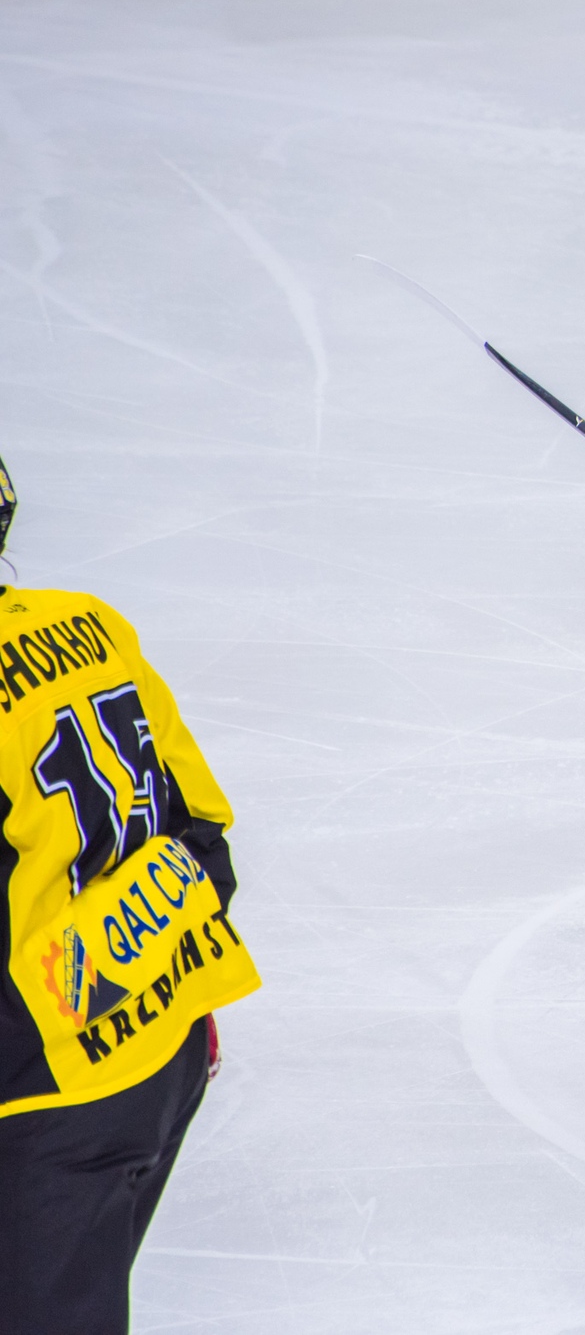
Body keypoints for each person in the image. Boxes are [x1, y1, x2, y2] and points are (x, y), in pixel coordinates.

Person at [0, 452, 264, 1335]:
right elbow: (205, 836)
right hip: (158, 1051)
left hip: (46, 1107)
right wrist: (145, 984)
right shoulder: (91, 624)